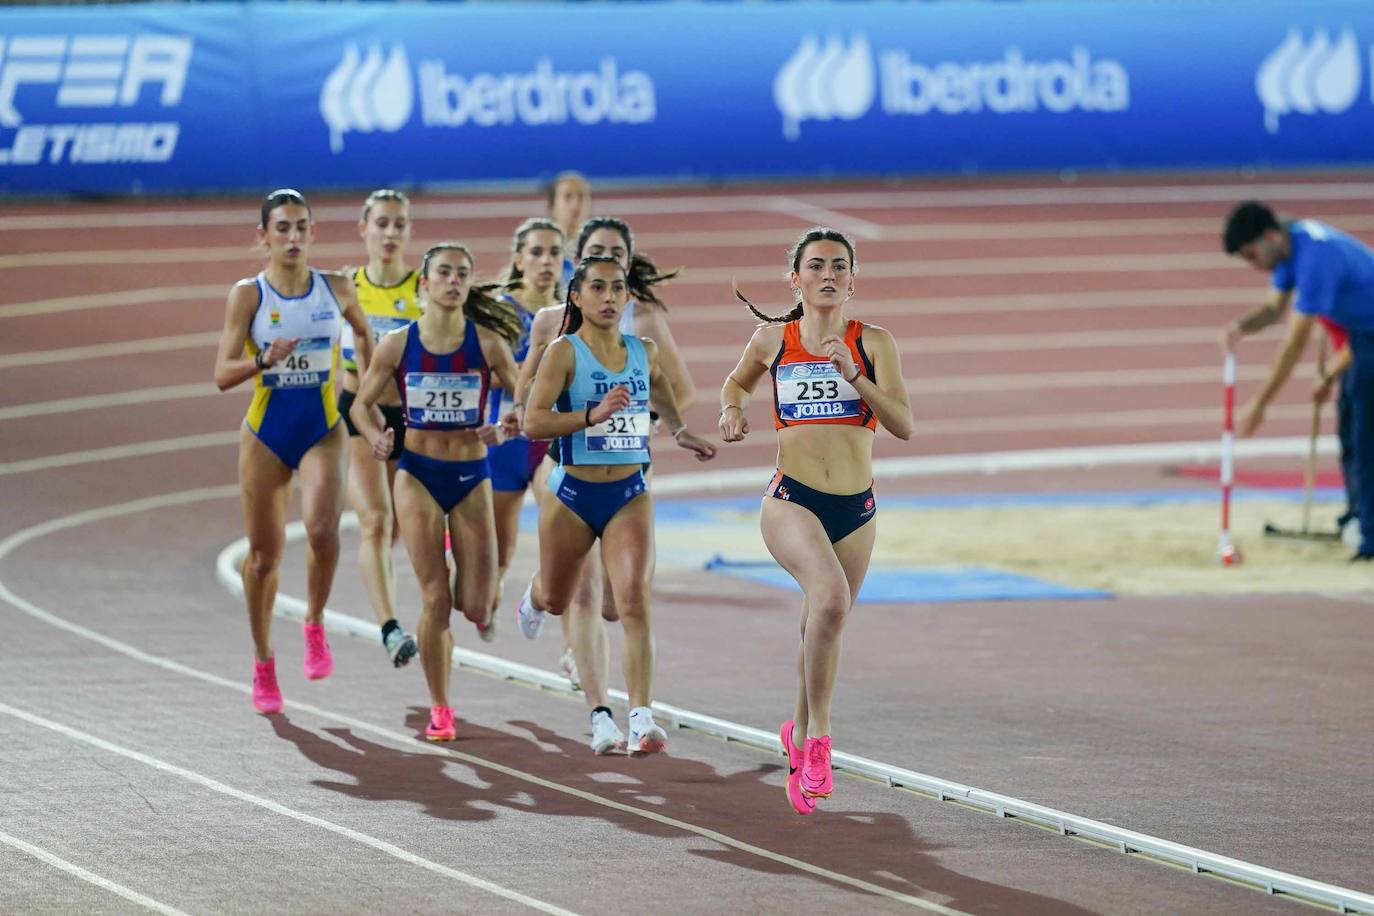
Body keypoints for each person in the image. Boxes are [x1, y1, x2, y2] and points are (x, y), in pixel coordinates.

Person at [718, 227, 913, 815]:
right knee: (828, 602)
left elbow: (903, 424)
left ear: (853, 280)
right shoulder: (773, 339)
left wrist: (854, 376)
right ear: (796, 279)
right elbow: (737, 381)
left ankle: (798, 737)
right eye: (817, 266)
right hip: (792, 499)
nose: (828, 275)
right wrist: (731, 409)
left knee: (820, 625)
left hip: (855, 509)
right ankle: (821, 740)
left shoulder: (874, 343)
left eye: (839, 266)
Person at [518, 256, 716, 756]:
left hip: (629, 491)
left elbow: (663, 390)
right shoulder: (563, 353)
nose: (609, 297)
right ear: (577, 298)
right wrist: (591, 414)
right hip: (572, 495)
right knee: (561, 599)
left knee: (633, 603)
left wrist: (680, 430)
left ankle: (636, 717)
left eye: (618, 289)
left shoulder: (641, 350)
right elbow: (533, 423)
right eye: (598, 288)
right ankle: (534, 597)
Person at [350, 243, 523, 741]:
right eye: (443, 273)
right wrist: (376, 437)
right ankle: (440, 708)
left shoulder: (487, 343)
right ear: (424, 284)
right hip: (418, 474)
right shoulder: (398, 345)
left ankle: (477, 584)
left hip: (472, 477)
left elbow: (523, 399)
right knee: (435, 599)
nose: (452, 281)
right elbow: (361, 405)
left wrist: (507, 427)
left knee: (474, 606)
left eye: (461, 274)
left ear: (468, 284)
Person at [213, 189, 376, 715]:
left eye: (300, 227)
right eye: (281, 228)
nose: (292, 237)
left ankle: (313, 622)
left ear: (312, 233)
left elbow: (365, 334)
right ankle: (263, 662)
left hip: (322, 426)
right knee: (263, 559)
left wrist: (367, 386)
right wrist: (263, 358)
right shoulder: (250, 295)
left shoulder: (336, 287)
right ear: (262, 237)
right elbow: (221, 375)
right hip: (266, 433)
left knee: (324, 530)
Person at [1221, 200, 1374, 558]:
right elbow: (1274, 308)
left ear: (1269, 236)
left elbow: (1295, 342)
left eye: (1251, 255)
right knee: (1351, 430)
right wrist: (1240, 328)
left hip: (1369, 335)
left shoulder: (1315, 258)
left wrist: (1260, 403)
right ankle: (1359, 515)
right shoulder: (1291, 246)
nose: (1253, 265)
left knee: (1368, 438)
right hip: (1362, 335)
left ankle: (1371, 535)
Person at [336, 189, 422, 667]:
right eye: (382, 223)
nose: (390, 233)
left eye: (399, 224)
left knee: (404, 527)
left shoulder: (424, 289)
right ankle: (391, 629)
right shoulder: (345, 287)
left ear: (409, 232)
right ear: (363, 229)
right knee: (375, 520)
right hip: (359, 412)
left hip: (413, 417)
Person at [484, 218, 565, 636]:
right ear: (519, 260)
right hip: (508, 440)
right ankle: (489, 594)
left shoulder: (574, 309)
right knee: (499, 552)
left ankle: (570, 648)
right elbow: (482, 371)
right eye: (536, 252)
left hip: (552, 441)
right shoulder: (501, 311)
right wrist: (531, 375)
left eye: (554, 253)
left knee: (565, 540)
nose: (546, 261)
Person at [546, 171, 591, 285]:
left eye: (581, 196)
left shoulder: (602, 249)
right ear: (552, 205)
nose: (575, 203)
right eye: (567, 196)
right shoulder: (538, 250)